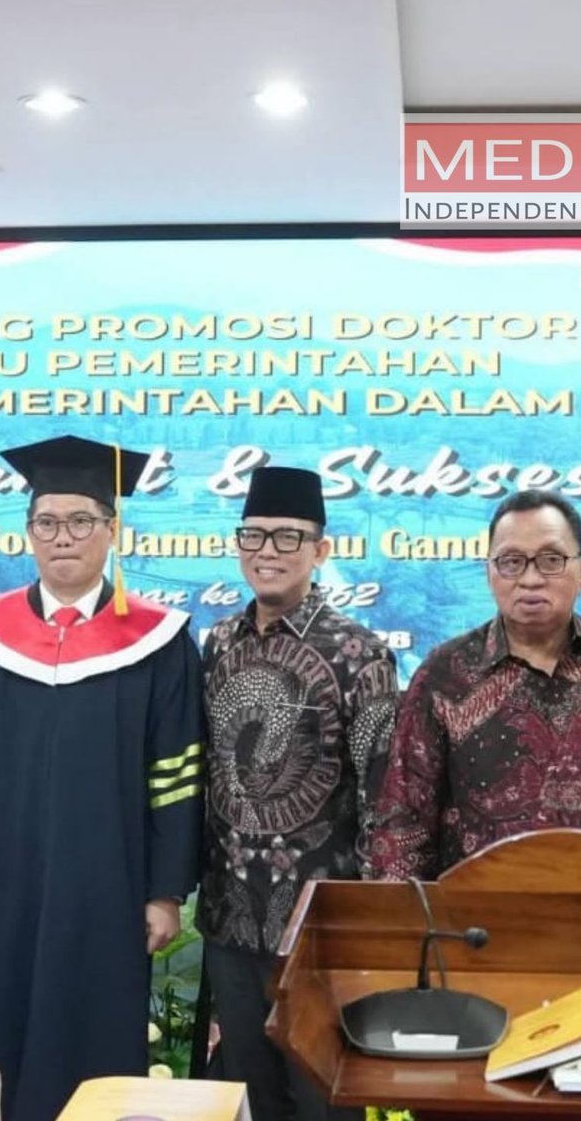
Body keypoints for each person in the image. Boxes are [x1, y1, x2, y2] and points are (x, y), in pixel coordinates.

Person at [0, 435, 204, 1121]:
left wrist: (164, 892)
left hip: (112, 892)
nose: (64, 537)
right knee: (4, 1039)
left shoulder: (158, 643)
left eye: (82, 521)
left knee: (100, 1038)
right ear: (28, 532)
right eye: (48, 522)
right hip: (5, 886)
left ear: (112, 531)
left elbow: (177, 777)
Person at [199, 467, 397, 1121]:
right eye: (254, 536)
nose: (269, 551)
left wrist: (370, 923)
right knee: (254, 1099)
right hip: (231, 918)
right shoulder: (218, 644)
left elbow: (382, 797)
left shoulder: (359, 653)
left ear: (320, 550)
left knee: (323, 1101)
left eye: (288, 537)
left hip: (319, 929)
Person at [368, 489, 581, 879]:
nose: (530, 579)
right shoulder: (444, 675)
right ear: (489, 574)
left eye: (551, 560)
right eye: (511, 562)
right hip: (479, 911)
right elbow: (404, 821)